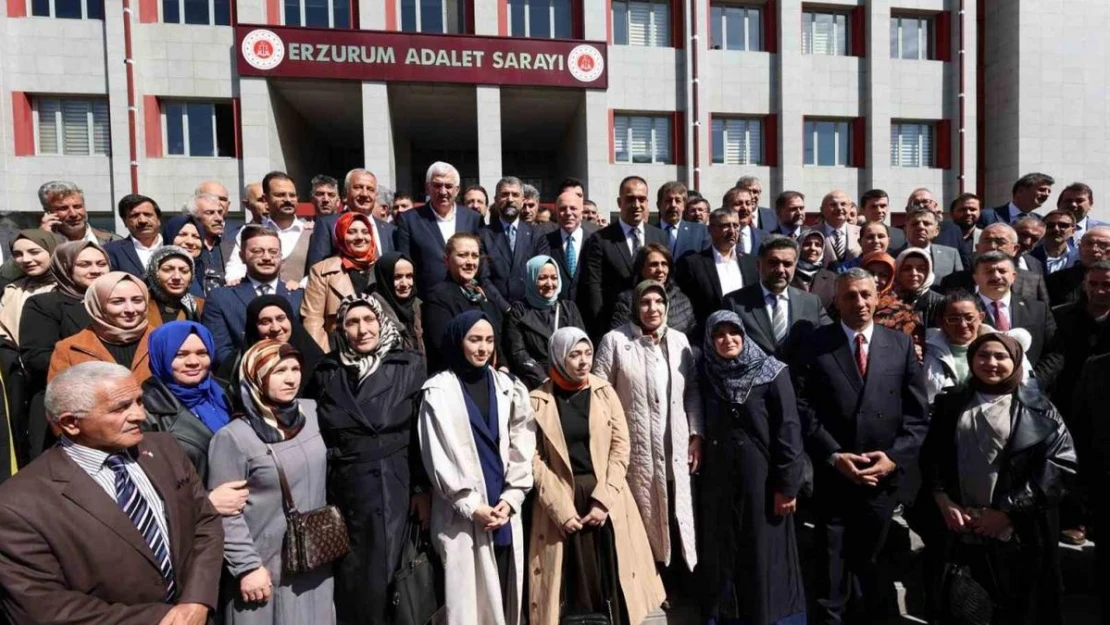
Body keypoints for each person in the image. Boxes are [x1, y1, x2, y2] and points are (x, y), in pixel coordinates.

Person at [0, 362, 223, 624]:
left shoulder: (165, 448)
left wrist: (197, 600)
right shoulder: (17, 505)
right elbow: (44, 608)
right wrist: (165, 619)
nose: (140, 415)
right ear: (71, 423)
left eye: (139, 401)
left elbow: (205, 523)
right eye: (121, 408)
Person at [792, 269, 929, 624]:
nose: (860, 303)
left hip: (881, 478)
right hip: (834, 476)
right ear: (836, 301)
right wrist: (834, 455)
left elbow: (917, 414)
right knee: (830, 569)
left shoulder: (898, 343)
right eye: (850, 296)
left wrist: (894, 459)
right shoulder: (816, 343)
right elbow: (803, 407)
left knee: (874, 567)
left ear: (877, 296)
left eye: (866, 295)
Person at [920, 333, 1075, 625]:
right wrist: (942, 500)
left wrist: (1006, 512)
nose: (991, 363)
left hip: (1020, 535)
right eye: (983, 356)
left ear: (1016, 361)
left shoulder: (1040, 408)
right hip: (960, 530)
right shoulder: (950, 404)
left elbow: (1059, 466)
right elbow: (932, 457)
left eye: (1000, 357)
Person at [527, 327, 666, 625]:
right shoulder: (538, 399)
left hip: (605, 501)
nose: (583, 361)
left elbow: (621, 446)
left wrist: (603, 500)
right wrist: (559, 508)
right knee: (567, 590)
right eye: (574, 354)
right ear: (559, 357)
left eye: (587, 353)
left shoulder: (604, 392)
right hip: (562, 503)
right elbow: (533, 459)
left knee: (611, 583)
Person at [312, 294, 428, 624]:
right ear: (340, 329)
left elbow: (422, 433)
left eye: (369, 320)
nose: (362, 330)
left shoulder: (409, 365)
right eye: (352, 322)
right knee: (354, 583)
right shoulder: (326, 372)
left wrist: (422, 489)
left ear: (381, 321)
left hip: (394, 485)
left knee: (394, 582)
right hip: (344, 492)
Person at [418, 311, 536, 625]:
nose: (482, 348)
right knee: (470, 602)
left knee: (505, 591)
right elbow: (437, 456)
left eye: (488, 340)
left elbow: (523, 442)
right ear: (458, 342)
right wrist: (472, 506)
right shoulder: (438, 392)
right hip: (463, 514)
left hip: (503, 506)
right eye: (474, 340)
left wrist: (512, 498)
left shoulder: (508, 385)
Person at [208, 339, 335, 624]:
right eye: (278, 371)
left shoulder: (313, 413)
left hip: (314, 558)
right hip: (265, 568)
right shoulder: (234, 437)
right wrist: (247, 567)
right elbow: (227, 512)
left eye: (295, 368)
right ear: (256, 375)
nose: (291, 378)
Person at [593, 280, 702, 598]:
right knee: (643, 513)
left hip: (676, 444)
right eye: (645, 303)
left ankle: (680, 586)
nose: (652, 309)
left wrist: (697, 435)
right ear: (635, 307)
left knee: (675, 510)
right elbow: (600, 392)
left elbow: (692, 390)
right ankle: (648, 587)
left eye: (658, 302)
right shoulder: (615, 341)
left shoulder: (679, 340)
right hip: (636, 447)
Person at [697, 311, 807, 625]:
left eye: (735, 333)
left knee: (762, 553)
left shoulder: (772, 372)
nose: (728, 340)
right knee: (726, 551)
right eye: (720, 334)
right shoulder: (707, 371)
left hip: (763, 480)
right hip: (720, 479)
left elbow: (788, 429)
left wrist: (787, 486)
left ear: (745, 336)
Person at [142, 321, 249, 519]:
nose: (193, 362)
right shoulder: (146, 411)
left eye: (202, 353)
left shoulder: (224, 392)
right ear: (160, 356)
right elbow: (149, 486)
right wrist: (205, 501)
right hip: (199, 524)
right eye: (180, 355)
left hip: (244, 513)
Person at [18, 241, 109, 460]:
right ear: (65, 267)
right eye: (84, 264)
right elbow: (37, 358)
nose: (95, 269)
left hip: (111, 407)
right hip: (66, 407)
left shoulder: (117, 302)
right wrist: (102, 369)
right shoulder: (44, 304)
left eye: (101, 263)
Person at [578, 175, 668, 338]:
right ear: (620, 202)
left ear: (647, 203)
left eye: (641, 199)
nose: (636, 205)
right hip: (615, 327)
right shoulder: (600, 239)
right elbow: (593, 287)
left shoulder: (660, 237)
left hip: (654, 326)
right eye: (630, 199)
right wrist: (602, 329)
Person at [202, 225, 304, 366]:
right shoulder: (221, 298)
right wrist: (255, 372)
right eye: (257, 251)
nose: (267, 257)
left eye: (273, 252)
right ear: (242, 256)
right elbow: (220, 351)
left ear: (281, 256)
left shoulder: (299, 295)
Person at [723, 235, 832, 362]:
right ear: (758, 265)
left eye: (787, 264)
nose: (780, 270)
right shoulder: (735, 302)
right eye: (773, 263)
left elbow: (832, 337)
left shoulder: (811, 302)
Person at [48, 272, 154, 384]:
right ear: (98, 305)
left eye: (137, 300)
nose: (130, 309)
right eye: (117, 302)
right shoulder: (69, 349)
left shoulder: (164, 340)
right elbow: (62, 397)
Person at [397, 162, 484, 297]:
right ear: (427, 187)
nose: (443, 192)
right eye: (437, 185)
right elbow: (405, 264)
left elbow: (482, 260)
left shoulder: (473, 219)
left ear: (457, 189)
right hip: (427, 301)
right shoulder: (409, 220)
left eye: (448, 186)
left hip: (467, 299)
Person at [422, 232, 504, 375]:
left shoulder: (485, 295)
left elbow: (498, 340)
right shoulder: (437, 296)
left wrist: (503, 366)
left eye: (475, 256)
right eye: (462, 255)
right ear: (446, 260)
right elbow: (443, 347)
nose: (470, 262)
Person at [302, 211, 383, 350]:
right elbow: (312, 321)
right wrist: (326, 359)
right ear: (340, 235)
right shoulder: (322, 271)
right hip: (339, 355)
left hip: (381, 352)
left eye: (365, 232)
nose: (360, 237)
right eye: (351, 232)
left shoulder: (383, 268)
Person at [216, 295, 324, 397]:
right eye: (265, 322)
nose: (275, 328)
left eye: (281, 318)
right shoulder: (237, 363)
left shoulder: (315, 359)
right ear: (254, 327)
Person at [504, 255, 586, 390]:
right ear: (530, 278)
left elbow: (580, 345)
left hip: (568, 379)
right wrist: (544, 380)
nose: (549, 284)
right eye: (542, 278)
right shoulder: (519, 311)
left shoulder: (568, 308)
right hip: (535, 384)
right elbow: (518, 352)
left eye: (554, 278)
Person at [674, 208, 759, 334]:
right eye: (725, 226)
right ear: (710, 229)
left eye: (736, 226)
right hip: (708, 335)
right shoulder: (694, 263)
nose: (732, 231)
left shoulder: (751, 263)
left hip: (746, 335)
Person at [481, 177, 548, 310]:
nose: (510, 199)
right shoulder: (483, 235)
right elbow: (484, 278)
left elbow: (542, 274)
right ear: (496, 200)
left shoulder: (537, 236)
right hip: (496, 310)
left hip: (530, 311)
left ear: (522, 201)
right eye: (505, 194)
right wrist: (505, 307)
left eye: (515, 195)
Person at [610, 243, 696, 338]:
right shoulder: (627, 300)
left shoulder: (682, 300)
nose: (660, 269)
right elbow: (619, 338)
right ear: (641, 269)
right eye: (654, 264)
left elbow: (694, 338)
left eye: (664, 264)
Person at [923, 290, 988, 403]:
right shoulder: (925, 349)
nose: (963, 324)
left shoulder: (1002, 347)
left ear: (981, 317)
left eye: (969, 317)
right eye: (953, 319)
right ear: (941, 322)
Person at [0, 230, 58, 347]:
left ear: (52, 251)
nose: (26, 259)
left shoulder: (71, 289)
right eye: (18, 254)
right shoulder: (12, 290)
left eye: (34, 252)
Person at [540, 190, 599, 301]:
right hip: (556, 311)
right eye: (562, 209)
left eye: (573, 208)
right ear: (556, 213)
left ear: (581, 211)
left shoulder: (595, 241)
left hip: (588, 312)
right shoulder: (546, 241)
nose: (568, 213)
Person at [859, 251, 924, 351]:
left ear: (891, 279)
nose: (875, 279)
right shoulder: (849, 302)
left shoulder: (903, 312)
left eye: (883, 275)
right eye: (870, 273)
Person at [370, 251, 425, 353]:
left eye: (409, 276)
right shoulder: (372, 311)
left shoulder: (417, 306)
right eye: (397, 277)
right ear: (385, 279)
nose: (404, 283)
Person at [36, 181, 121, 246]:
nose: (73, 214)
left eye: (77, 206)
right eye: (63, 208)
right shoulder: (38, 243)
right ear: (48, 212)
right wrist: (42, 238)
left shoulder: (114, 241)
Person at [103, 194, 163, 277]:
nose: (143, 220)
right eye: (134, 216)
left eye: (147, 214)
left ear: (158, 219)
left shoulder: (175, 246)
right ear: (125, 221)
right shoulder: (110, 251)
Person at [145, 246, 205, 327]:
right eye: (167, 270)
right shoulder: (140, 304)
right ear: (154, 273)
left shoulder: (201, 307)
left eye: (184, 271)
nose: (177, 277)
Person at [656, 180, 710, 261]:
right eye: (668, 200)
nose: (673, 205)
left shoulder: (701, 232)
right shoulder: (648, 232)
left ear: (684, 206)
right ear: (658, 205)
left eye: (678, 201)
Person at [893, 247, 945, 330]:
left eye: (921, 269)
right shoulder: (888, 300)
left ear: (928, 272)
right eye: (907, 269)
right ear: (898, 271)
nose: (914, 273)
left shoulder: (940, 302)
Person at [978, 172, 1055, 226]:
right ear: (1020, 191)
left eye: (1049, 191)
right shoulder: (987, 216)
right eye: (1042, 190)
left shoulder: (1041, 221)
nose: (1047, 194)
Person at [160, 215, 208, 296]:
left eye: (196, 237)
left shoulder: (205, 272)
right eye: (182, 235)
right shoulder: (156, 276)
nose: (190, 242)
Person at [792, 230, 838, 305]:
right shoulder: (789, 274)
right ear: (798, 247)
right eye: (807, 244)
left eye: (817, 245)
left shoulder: (832, 278)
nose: (813, 248)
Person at [817, 190, 861, 266]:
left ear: (850, 207)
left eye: (843, 204)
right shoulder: (810, 232)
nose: (839, 208)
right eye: (833, 205)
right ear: (822, 209)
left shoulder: (861, 232)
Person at [1030, 209, 1079, 274]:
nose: (1056, 229)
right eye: (1050, 225)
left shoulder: (1079, 257)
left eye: (1063, 225)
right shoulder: (1029, 256)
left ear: (1073, 231)